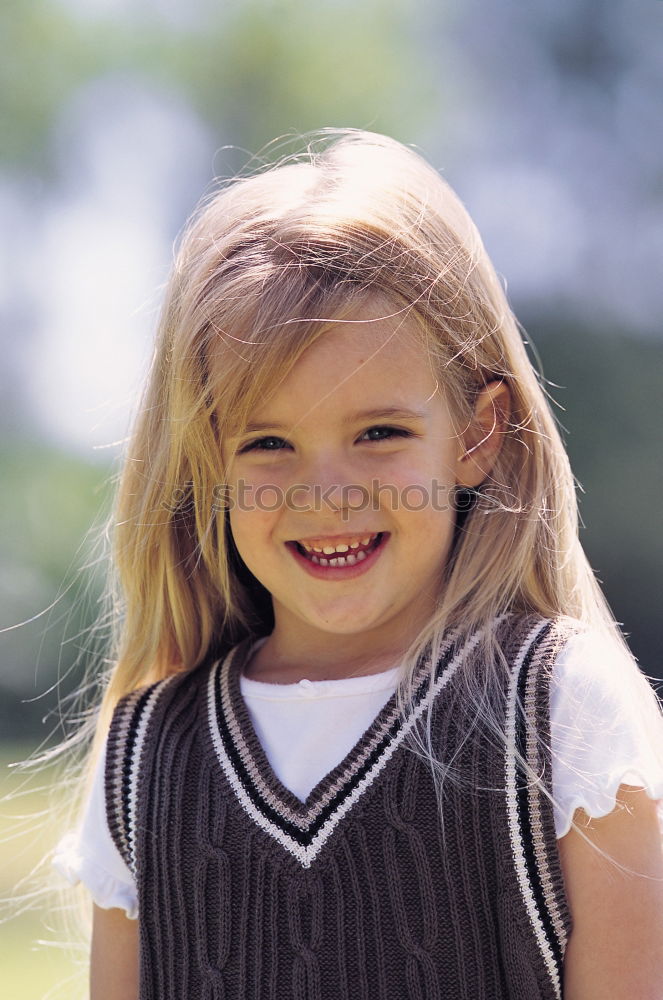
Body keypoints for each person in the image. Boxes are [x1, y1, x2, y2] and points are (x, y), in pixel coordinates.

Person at [51, 129, 663, 999]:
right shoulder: (146, 755)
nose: (325, 495)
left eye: (379, 433)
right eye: (268, 443)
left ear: (478, 434)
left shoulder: (563, 709)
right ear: (205, 465)